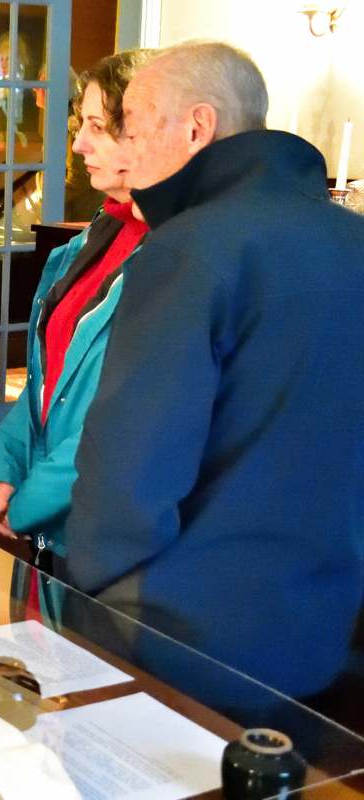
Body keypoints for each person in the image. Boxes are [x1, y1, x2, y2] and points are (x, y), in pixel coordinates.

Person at [63, 41, 364, 701]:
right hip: (324, 627)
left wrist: (82, 590)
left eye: (135, 130)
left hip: (180, 633)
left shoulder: (190, 248)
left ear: (196, 127)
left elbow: (132, 472)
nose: (128, 151)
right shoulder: (352, 241)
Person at [0, 51, 151, 597]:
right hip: (48, 526)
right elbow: (44, 382)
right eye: (82, 125)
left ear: (146, 133)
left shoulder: (174, 260)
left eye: (98, 127)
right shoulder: (90, 242)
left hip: (104, 538)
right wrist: (6, 467)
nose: (78, 145)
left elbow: (114, 420)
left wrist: (30, 501)